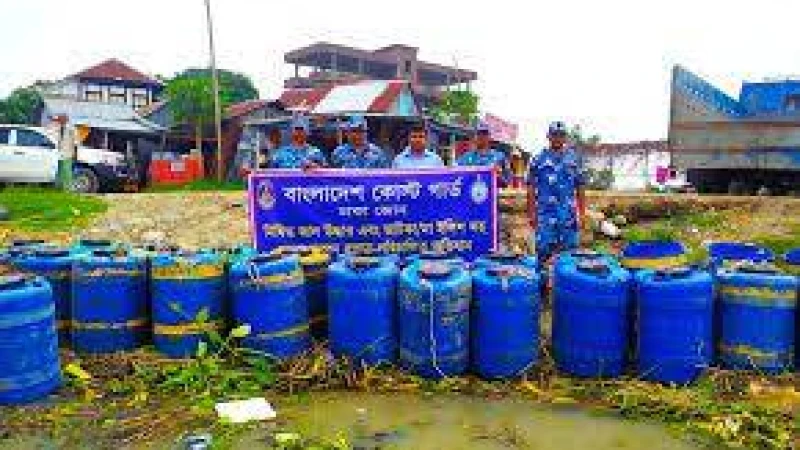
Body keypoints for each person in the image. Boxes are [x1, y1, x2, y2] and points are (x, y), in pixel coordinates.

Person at [527, 121, 587, 265]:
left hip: (568, 216)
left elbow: (580, 187)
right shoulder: (537, 160)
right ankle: (542, 284)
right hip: (545, 216)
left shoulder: (574, 159)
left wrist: (582, 213)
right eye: (554, 134)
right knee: (543, 253)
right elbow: (530, 188)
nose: (558, 138)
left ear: (565, 137)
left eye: (561, 135)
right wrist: (531, 214)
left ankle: (566, 283)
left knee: (570, 255)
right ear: (548, 136)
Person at [456, 122, 511, 186]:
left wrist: (498, 176)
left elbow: (508, 181)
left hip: (491, 194)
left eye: (484, 134)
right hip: (470, 193)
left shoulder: (500, 156)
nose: (481, 137)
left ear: (490, 137)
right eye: (478, 134)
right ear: (474, 137)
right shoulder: (466, 157)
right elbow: (454, 174)